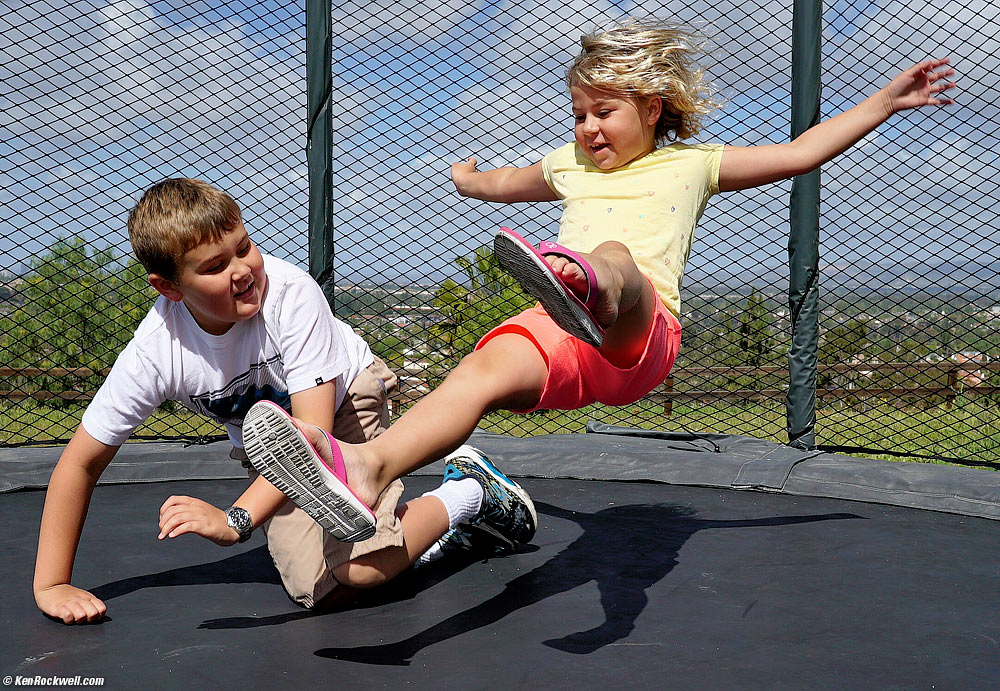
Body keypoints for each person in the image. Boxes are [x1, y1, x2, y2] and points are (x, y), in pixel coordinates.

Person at [240, 18, 955, 533]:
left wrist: (883, 104)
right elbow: (503, 186)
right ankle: (369, 466)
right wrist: (466, 179)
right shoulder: (566, 164)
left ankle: (590, 281)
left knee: (618, 259)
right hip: (564, 335)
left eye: (603, 111)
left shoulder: (692, 164)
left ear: (651, 108)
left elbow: (800, 152)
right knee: (479, 369)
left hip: (640, 338)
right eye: (579, 113)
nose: (587, 128)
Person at [32, 178, 536, 624]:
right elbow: (80, 463)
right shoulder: (157, 351)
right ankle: (424, 531)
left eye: (244, 246)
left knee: (361, 570)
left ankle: (470, 493)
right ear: (169, 288)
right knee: (318, 591)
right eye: (213, 266)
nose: (242, 270)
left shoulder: (290, 295)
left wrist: (236, 521)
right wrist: (51, 583)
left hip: (340, 407)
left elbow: (311, 438)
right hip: (275, 447)